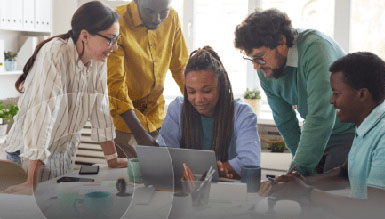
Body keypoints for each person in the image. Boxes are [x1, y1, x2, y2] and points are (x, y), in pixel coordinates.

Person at [1, 1, 126, 194]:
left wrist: (112, 159)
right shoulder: (55, 52)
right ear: (85, 35)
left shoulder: (98, 59)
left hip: (60, 153)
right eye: (110, 39)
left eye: (117, 39)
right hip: (28, 155)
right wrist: (30, 182)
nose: (115, 46)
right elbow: (42, 112)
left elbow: (100, 107)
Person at [260, 52, 385, 218]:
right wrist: (300, 183)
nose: (331, 101)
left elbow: (376, 210)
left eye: (336, 93)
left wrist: (307, 193)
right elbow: (344, 174)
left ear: (362, 94)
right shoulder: (366, 127)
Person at [234, 9, 355, 175]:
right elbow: (285, 121)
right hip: (316, 131)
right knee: (302, 188)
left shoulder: (316, 49)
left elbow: (320, 116)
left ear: (282, 42)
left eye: (259, 57)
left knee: (327, 190)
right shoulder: (265, 69)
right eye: (252, 59)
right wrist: (297, 170)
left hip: (348, 131)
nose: (255, 66)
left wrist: (295, 173)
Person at [157, 46, 260, 179]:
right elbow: (163, 156)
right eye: (192, 91)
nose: (199, 99)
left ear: (221, 87)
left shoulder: (242, 114)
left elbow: (250, 163)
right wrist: (214, 169)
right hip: (185, 191)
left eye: (207, 91)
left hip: (229, 193)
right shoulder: (177, 108)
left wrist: (212, 171)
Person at [107, 0, 188, 158]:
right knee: (132, 179)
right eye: (150, 12)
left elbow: (181, 68)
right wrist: (139, 133)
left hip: (157, 118)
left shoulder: (172, 17)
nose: (157, 18)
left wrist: (196, 104)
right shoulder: (117, 20)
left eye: (163, 12)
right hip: (127, 122)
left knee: (160, 178)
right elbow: (115, 82)